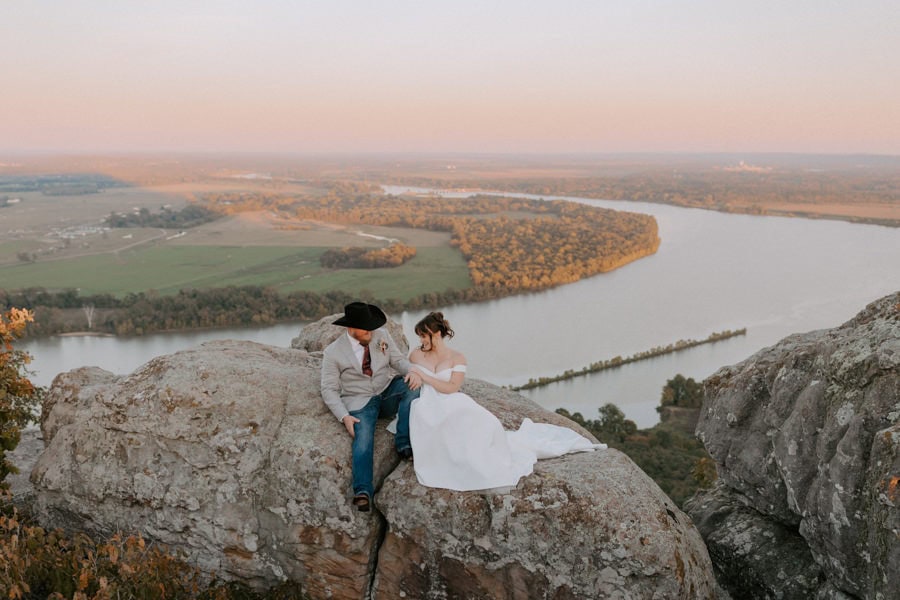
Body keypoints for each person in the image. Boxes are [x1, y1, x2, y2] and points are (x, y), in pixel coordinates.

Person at [407, 312, 605, 492]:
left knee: (483, 422)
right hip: (428, 401)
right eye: (420, 336)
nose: (421, 340)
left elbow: (452, 387)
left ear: (437, 334)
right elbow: (412, 366)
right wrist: (416, 371)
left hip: (451, 398)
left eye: (424, 335)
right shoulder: (418, 353)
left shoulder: (457, 358)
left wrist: (424, 377)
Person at [321, 302, 422, 511]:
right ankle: (363, 491)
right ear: (351, 328)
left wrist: (411, 371)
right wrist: (344, 416)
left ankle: (404, 443)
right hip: (359, 401)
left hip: (386, 390)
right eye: (365, 329)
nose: (370, 332)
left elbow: (398, 360)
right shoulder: (333, 352)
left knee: (413, 388)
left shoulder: (381, 335)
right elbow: (329, 389)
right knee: (363, 439)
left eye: (371, 328)